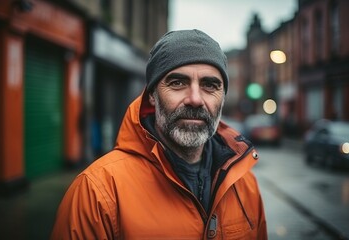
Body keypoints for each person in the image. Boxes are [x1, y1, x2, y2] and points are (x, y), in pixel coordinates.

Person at [51, 29, 267, 239]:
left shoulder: (245, 184)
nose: (195, 98)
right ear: (152, 95)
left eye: (209, 85)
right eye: (177, 83)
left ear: (222, 98)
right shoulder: (98, 191)